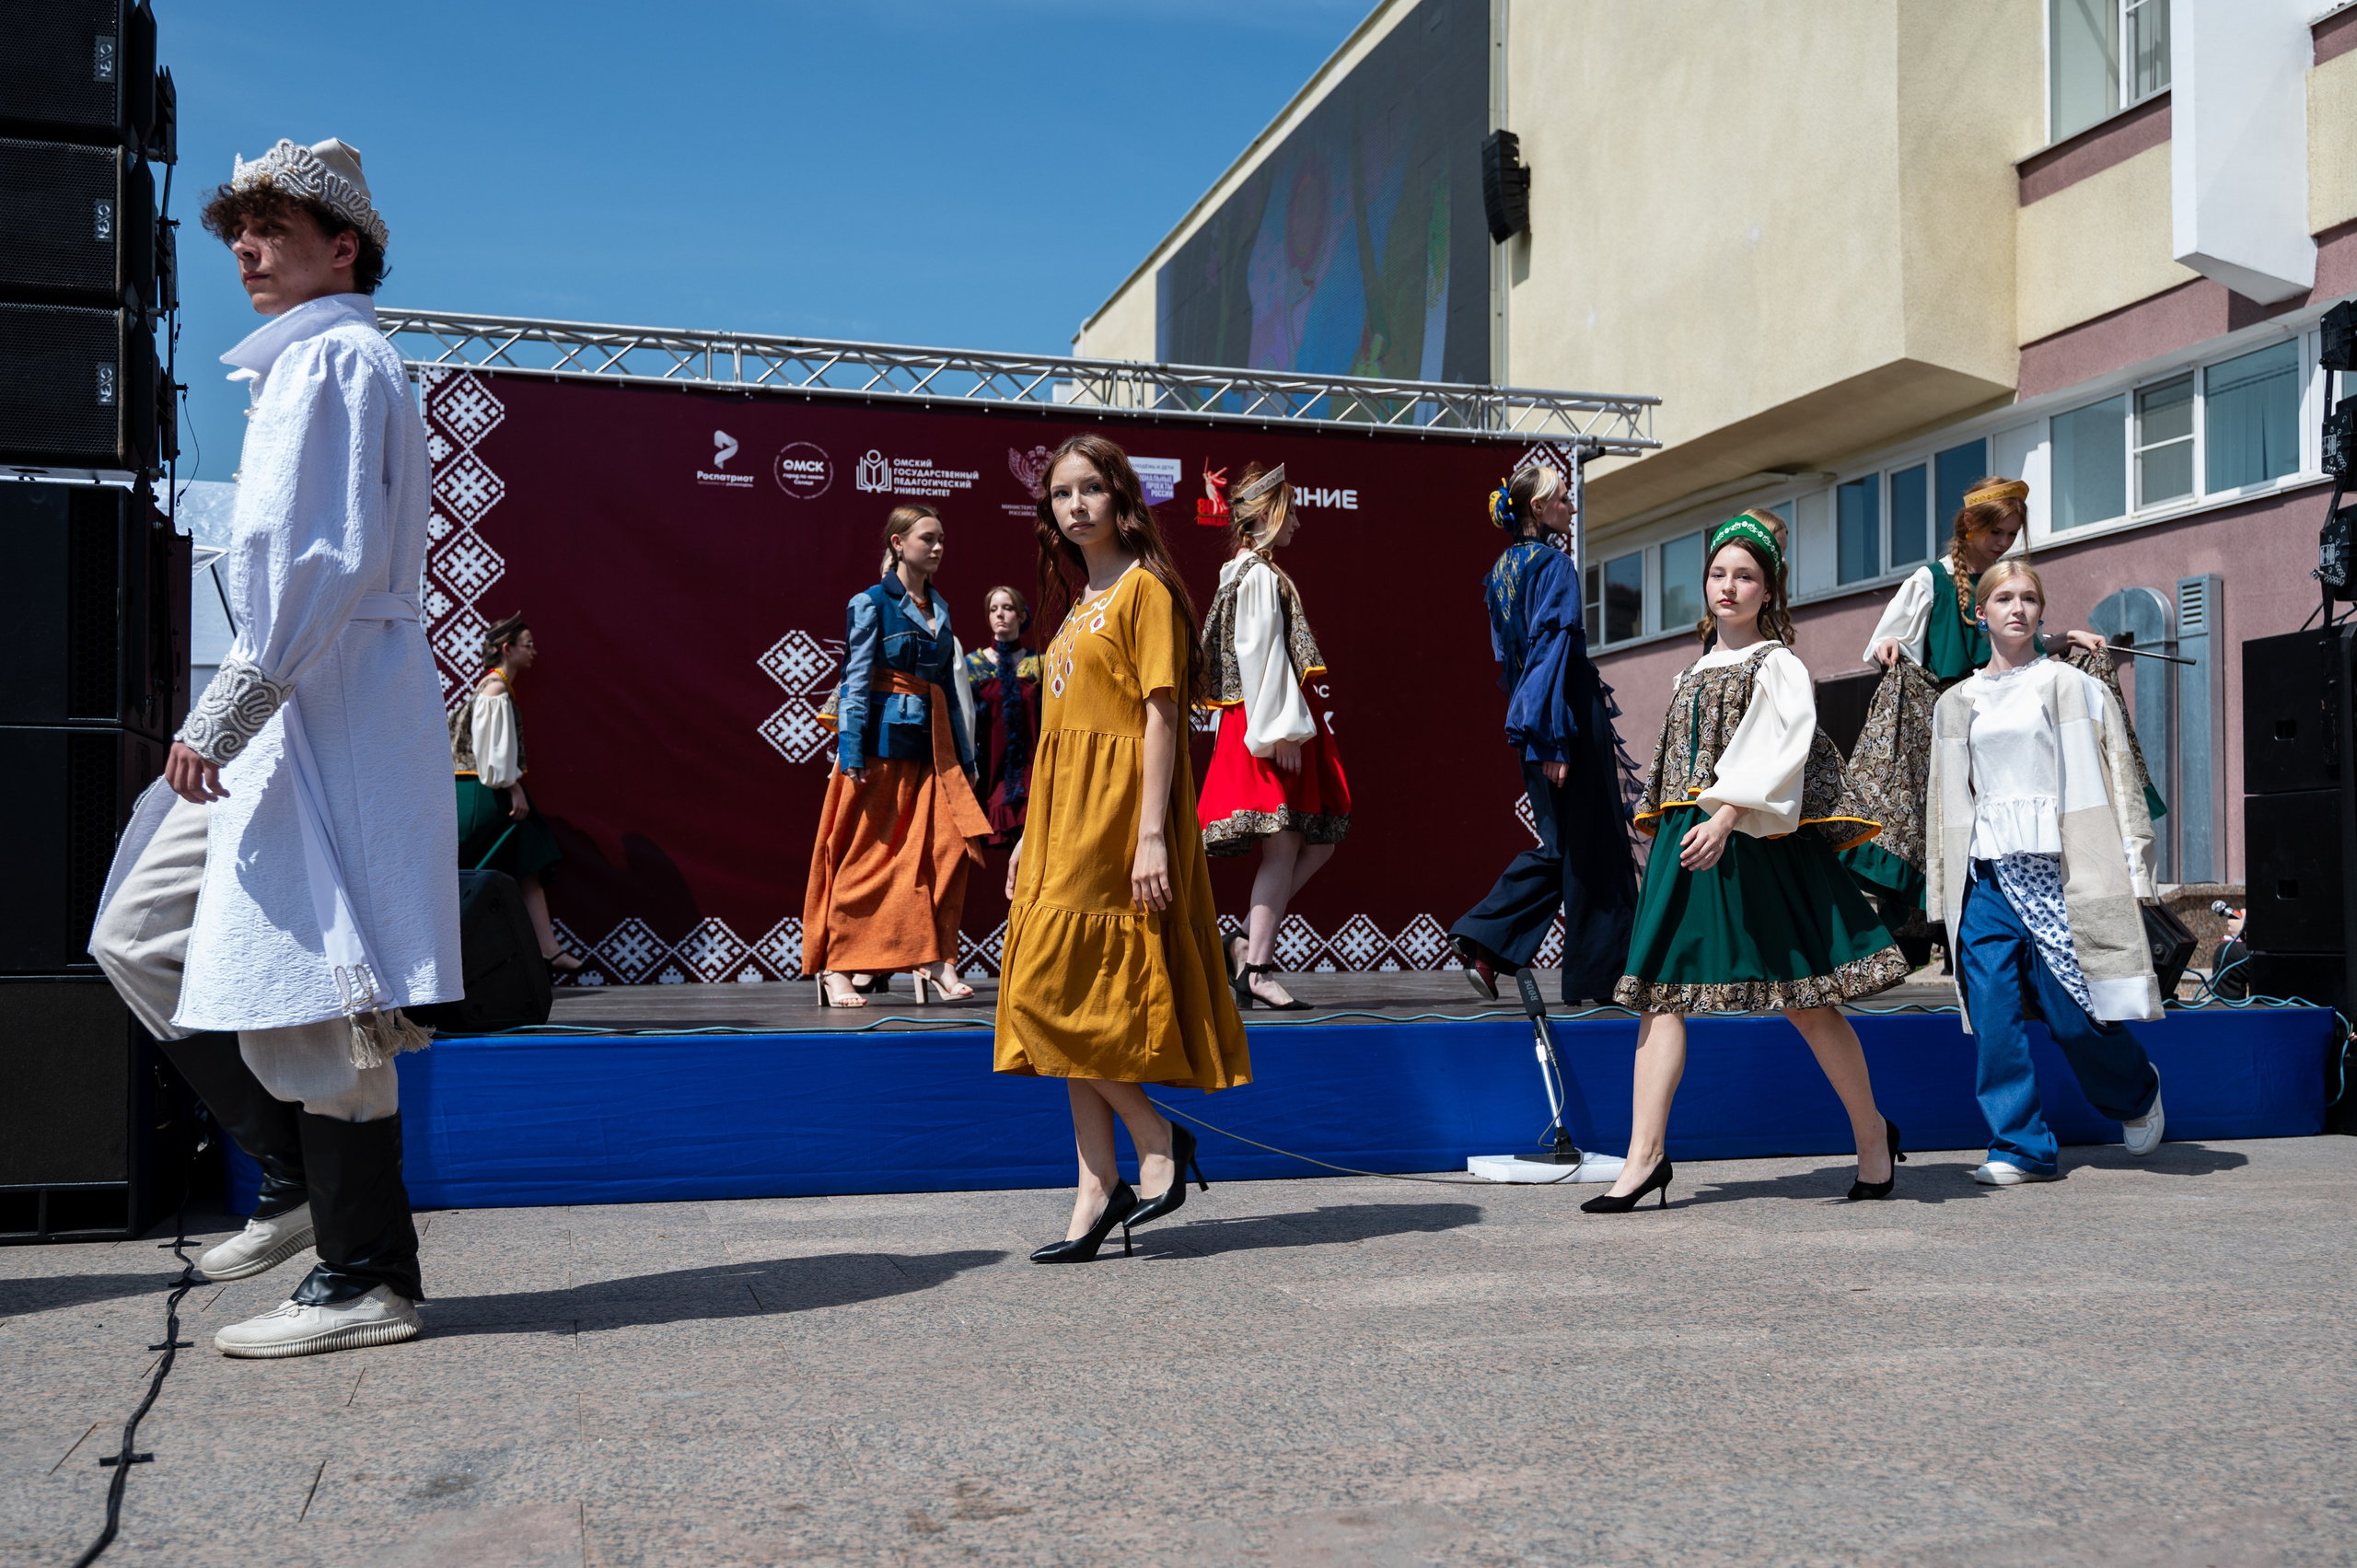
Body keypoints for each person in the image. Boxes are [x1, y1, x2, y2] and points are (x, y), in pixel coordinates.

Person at [87, 137, 458, 1355]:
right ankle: (299, 1185)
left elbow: (326, 558)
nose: (246, 249)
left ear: (342, 245)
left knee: (323, 986)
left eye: (273, 229)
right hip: (295, 699)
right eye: (236, 231)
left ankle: (367, 1274)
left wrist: (230, 704)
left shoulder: (341, 360)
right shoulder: (304, 367)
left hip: (320, 702)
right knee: (139, 931)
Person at [1595, 515, 1911, 1213]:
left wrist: (1728, 816)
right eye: (1718, 574)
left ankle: (1871, 1137)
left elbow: (1781, 748)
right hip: (1690, 837)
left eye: (1744, 575)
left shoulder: (1778, 663)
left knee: (1805, 1001)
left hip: (1750, 837)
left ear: (1768, 591)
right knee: (1659, 993)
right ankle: (1644, 1157)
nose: (1728, 586)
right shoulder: (1692, 670)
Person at [994, 434, 1250, 1261]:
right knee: (1071, 996)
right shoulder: (1079, 602)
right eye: (1061, 493)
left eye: (1089, 489)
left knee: (1052, 993)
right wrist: (1031, 833)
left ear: (1120, 499)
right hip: (1063, 817)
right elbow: (1059, 734)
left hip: (1116, 817)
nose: (1074, 505)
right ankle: (1096, 1186)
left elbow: (1162, 715)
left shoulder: (1145, 591)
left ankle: (1155, 1141)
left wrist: (1150, 836)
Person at [1925, 561, 2166, 1185]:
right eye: (2002, 597)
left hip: (2063, 872)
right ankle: (2021, 1145)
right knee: (1994, 1014)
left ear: (2041, 611)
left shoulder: (2070, 684)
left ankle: (2135, 1092)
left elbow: (2120, 776)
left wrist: (2137, 869)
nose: (2017, 607)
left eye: (2029, 597)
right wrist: (1941, 889)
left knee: (2072, 1017)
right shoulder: (1957, 702)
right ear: (1980, 614)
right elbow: (1945, 803)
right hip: (1988, 877)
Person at [1851, 478, 2145, 911]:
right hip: (1956, 722)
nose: (2003, 543)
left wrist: (2070, 637)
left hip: (2001, 722)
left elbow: (2023, 648)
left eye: (2011, 534)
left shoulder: (2004, 586)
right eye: (1996, 533)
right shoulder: (1931, 580)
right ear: (1969, 524)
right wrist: (1887, 646)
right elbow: (1888, 641)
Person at [1450, 464, 1639, 1005]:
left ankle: (1491, 951)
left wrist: (1535, 734)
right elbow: (1549, 654)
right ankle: (1601, 978)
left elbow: (1513, 663)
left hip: (1538, 722)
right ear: (1540, 509)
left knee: (1566, 848)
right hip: (1563, 722)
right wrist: (1554, 738)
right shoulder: (1556, 566)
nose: (1572, 507)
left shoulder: (1501, 571)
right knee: (1593, 848)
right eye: (1563, 500)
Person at [804, 505, 990, 1007]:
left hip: (933, 753)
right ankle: (839, 968)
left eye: (942, 539)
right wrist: (851, 751)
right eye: (927, 538)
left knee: (946, 853)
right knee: (865, 861)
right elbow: (856, 680)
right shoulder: (869, 603)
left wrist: (965, 759)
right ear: (896, 543)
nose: (937, 547)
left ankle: (934, 956)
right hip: (879, 752)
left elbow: (947, 690)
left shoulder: (942, 607)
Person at [1196, 461, 1351, 1010]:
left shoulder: (1241, 571)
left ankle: (1244, 944)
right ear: (1267, 516)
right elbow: (1259, 657)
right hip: (1268, 722)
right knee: (1285, 848)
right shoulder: (1257, 575)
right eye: (1290, 513)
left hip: (1260, 719)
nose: (1299, 525)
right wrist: (1280, 731)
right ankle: (1257, 967)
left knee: (1313, 843)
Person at [449, 614, 579, 971]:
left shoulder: (494, 686)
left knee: (529, 855)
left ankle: (544, 948)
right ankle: (536, 950)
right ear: (507, 649)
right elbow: (491, 758)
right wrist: (514, 788)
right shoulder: (496, 690)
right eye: (528, 644)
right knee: (525, 847)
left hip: (481, 789)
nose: (534, 652)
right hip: (482, 793)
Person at [963, 586, 1041, 847]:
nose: (1000, 614)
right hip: (991, 774)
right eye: (994, 609)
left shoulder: (1040, 664)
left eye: (1007, 608)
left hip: (1035, 774)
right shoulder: (971, 665)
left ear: (1021, 616)